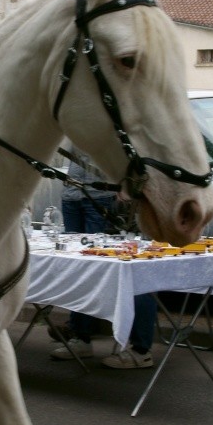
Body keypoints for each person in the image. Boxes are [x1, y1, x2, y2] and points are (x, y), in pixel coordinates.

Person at [49, 146, 157, 369]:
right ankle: (81, 337)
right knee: (78, 269)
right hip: (73, 194)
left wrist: (127, 187)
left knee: (123, 269)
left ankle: (139, 347)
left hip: (103, 194)